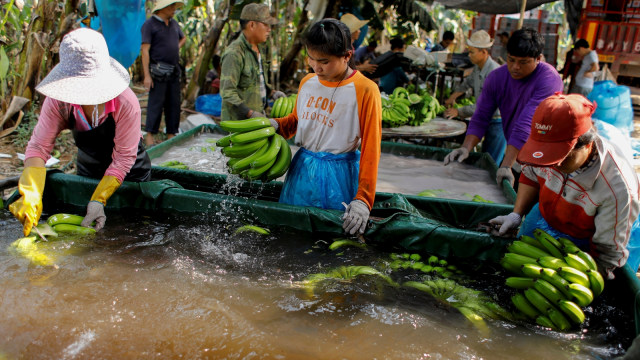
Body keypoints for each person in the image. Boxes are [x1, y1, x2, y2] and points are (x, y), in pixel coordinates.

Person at [9, 28, 151, 235]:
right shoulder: (59, 102)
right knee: (87, 237)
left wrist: (99, 199)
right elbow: (39, 148)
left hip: (130, 175)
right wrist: (31, 192)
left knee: (129, 234)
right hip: (89, 169)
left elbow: (122, 159)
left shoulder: (125, 102)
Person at [488, 93, 640, 279]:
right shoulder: (542, 152)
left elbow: (606, 255)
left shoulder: (617, 189)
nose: (552, 166)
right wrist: (516, 214)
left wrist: (584, 280)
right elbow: (531, 176)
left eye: (560, 158)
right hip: (547, 213)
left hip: (592, 238)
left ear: (587, 144)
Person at [269, 19, 382, 235]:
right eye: (311, 59)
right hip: (302, 171)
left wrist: (363, 199)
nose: (315, 67)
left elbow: (371, 148)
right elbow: (297, 121)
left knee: (332, 241)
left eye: (324, 61)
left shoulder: (365, 90)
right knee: (291, 234)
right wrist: (276, 125)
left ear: (347, 55)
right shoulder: (308, 82)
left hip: (339, 175)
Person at [443, 28, 564, 188]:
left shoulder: (549, 79)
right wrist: (465, 148)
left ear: (538, 58)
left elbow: (526, 123)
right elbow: (481, 117)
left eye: (523, 62)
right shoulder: (496, 78)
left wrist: (505, 165)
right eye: (511, 59)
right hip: (517, 157)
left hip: (546, 161)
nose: (515, 67)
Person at [444, 30, 505, 164]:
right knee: (484, 157)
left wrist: (458, 111)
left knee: (491, 162)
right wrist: (452, 97)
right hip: (485, 120)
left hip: (498, 122)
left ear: (483, 52)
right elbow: (466, 84)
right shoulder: (478, 68)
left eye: (472, 52)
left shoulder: (494, 72)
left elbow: (485, 106)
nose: (469, 55)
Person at [220, 3, 285, 121]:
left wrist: (272, 93)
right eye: (265, 25)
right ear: (252, 25)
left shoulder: (259, 49)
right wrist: (249, 113)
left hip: (257, 120)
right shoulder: (234, 53)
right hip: (239, 125)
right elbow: (228, 92)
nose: (269, 29)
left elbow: (256, 82)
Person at [141, 0, 186, 147]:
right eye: (171, 6)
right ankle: (150, 138)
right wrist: (147, 76)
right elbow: (145, 50)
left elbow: (183, 37)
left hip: (174, 71)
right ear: (162, 8)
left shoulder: (173, 24)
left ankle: (171, 136)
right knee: (156, 104)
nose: (174, 9)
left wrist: (174, 48)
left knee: (174, 105)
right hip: (158, 72)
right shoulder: (150, 25)